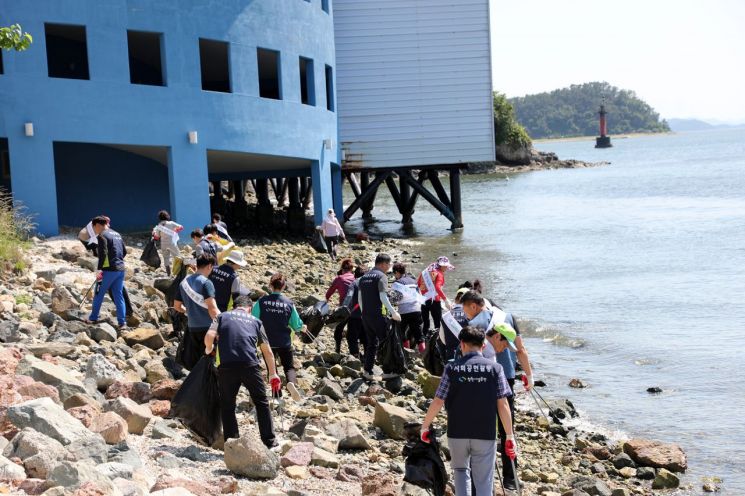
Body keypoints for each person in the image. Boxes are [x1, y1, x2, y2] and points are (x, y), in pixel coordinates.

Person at [420, 325, 516, 496]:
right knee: (484, 480)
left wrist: (425, 427)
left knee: (461, 473)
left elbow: (438, 401)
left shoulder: (452, 369)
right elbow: (503, 405)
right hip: (485, 433)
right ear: (484, 346)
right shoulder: (496, 369)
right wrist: (509, 436)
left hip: (457, 432)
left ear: (461, 344)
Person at [459, 290, 534, 491]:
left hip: (481, 380)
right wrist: (529, 376)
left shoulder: (473, 326)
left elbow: (466, 357)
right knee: (507, 427)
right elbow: (521, 350)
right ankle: (510, 478)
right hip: (506, 377)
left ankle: (483, 476)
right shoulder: (507, 316)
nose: (466, 315)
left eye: (466, 310)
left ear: (475, 306)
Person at [204, 295, 279, 448]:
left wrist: (208, 348)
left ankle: (232, 442)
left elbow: (210, 335)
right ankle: (269, 442)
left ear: (235, 307)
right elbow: (267, 351)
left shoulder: (222, 316)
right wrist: (273, 374)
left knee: (228, 404)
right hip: (250, 366)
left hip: (227, 366)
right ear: (249, 309)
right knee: (261, 402)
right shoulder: (256, 321)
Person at [252, 273, 304, 400]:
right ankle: (291, 382)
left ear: (270, 285)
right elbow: (296, 325)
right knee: (289, 366)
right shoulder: (289, 303)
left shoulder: (261, 301)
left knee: (272, 369)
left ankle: (277, 394)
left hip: (266, 342)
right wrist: (303, 326)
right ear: (284, 286)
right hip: (284, 341)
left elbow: (253, 320)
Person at [79, 216, 134, 321]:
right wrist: (117, 260)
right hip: (120, 269)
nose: (95, 231)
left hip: (108, 270)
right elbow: (124, 251)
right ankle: (122, 323)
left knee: (98, 294)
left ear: (98, 225)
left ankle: (93, 318)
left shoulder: (102, 235)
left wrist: (100, 270)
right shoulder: (117, 234)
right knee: (119, 297)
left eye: (94, 228)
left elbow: (103, 253)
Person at [173, 254, 221, 369]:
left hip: (192, 327)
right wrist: (221, 325)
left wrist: (188, 311)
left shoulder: (184, 283)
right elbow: (212, 308)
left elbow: (177, 306)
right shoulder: (206, 283)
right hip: (208, 329)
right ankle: (207, 385)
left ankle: (195, 384)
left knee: (195, 362)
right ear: (209, 266)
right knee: (208, 360)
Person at [358, 253, 401, 381]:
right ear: (382, 264)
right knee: (386, 343)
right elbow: (383, 297)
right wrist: (394, 313)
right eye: (388, 264)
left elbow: (360, 298)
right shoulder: (381, 276)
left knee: (372, 343)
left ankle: (367, 371)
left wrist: (363, 313)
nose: (389, 267)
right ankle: (388, 371)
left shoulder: (364, 277)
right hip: (378, 315)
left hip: (365, 315)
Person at [392, 262, 425, 352]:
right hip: (416, 310)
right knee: (419, 333)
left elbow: (395, 298)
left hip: (404, 311)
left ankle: (406, 352)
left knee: (402, 333)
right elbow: (420, 296)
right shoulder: (413, 281)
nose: (394, 276)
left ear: (397, 272)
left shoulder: (397, 283)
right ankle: (424, 355)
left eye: (394, 273)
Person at [417, 256, 455, 334]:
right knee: (438, 325)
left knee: (426, 324)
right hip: (434, 301)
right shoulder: (439, 274)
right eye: (446, 266)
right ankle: (436, 343)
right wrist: (445, 299)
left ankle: (424, 342)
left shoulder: (426, 272)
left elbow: (418, 284)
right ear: (442, 266)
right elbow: (438, 288)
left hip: (424, 300)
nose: (446, 268)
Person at [325, 258, 356, 353]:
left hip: (344, 309)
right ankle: (355, 352)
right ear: (351, 269)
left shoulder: (339, 278)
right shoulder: (355, 278)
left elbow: (328, 293)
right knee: (354, 330)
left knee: (338, 329)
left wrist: (326, 301)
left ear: (342, 269)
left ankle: (337, 349)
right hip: (357, 308)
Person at [437, 286, 471, 364]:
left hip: (451, 355)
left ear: (456, 298)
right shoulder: (470, 314)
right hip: (468, 355)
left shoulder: (445, 316)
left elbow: (442, 339)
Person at [341, 265, 368, 359]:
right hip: (368, 316)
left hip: (355, 315)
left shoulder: (354, 283)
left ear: (355, 275)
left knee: (352, 336)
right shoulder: (371, 283)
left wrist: (344, 307)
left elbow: (349, 296)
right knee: (367, 336)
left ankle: (355, 355)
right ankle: (368, 355)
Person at [152, 210, 183, 276]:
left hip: (163, 245)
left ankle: (168, 274)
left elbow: (157, 237)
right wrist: (175, 231)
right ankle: (179, 272)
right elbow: (181, 227)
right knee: (178, 257)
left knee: (166, 259)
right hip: (172, 244)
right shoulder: (171, 223)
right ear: (167, 216)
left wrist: (154, 232)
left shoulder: (159, 226)